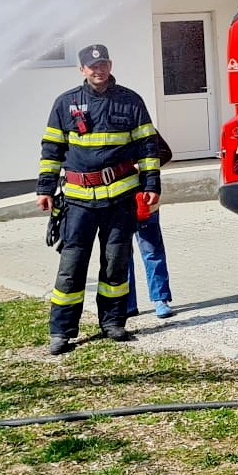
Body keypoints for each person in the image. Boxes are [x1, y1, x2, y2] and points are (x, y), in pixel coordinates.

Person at [37, 44, 163, 354]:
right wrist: (45, 188)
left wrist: (151, 183)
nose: (99, 69)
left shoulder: (131, 101)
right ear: (82, 69)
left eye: (103, 63)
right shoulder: (65, 103)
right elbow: (52, 149)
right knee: (71, 266)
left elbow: (148, 146)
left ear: (110, 65)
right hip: (78, 201)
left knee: (116, 264)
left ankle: (113, 322)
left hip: (120, 197)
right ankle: (62, 331)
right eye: (92, 66)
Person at [123, 126, 178, 321]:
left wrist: (138, 167)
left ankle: (160, 299)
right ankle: (127, 304)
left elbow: (165, 152)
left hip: (144, 199)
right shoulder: (103, 128)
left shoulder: (142, 126)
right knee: (120, 255)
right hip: (115, 201)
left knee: (152, 250)